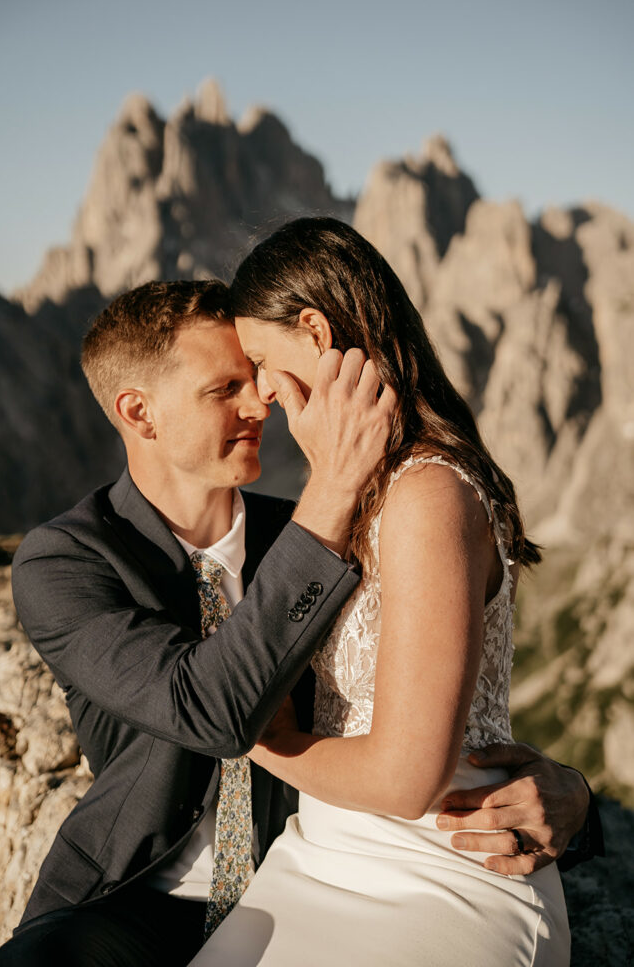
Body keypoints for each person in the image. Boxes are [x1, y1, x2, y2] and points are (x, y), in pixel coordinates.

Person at [0, 276, 596, 967]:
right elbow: (209, 711)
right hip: (136, 902)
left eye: (255, 378)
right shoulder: (65, 559)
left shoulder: (310, 534)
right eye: (224, 390)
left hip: (301, 887)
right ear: (139, 412)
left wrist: (574, 795)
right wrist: (333, 486)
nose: (261, 405)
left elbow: (424, 700)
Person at [189, 218, 597, 966]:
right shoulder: (346, 493)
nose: (264, 393)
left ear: (313, 330)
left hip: (437, 873)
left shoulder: (426, 495)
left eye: (260, 360)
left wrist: (261, 737)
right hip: (316, 853)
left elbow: (407, 779)